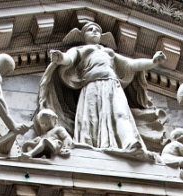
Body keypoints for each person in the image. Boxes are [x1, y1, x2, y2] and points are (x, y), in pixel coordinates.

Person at [39, 21, 166, 157]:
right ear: (83, 36)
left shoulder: (108, 52)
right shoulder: (81, 50)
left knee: (122, 114)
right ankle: (89, 146)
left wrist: (153, 62)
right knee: (91, 119)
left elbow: (131, 64)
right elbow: (69, 59)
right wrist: (60, 57)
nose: (94, 31)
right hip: (92, 86)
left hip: (113, 85)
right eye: (90, 29)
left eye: (97, 30)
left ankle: (130, 143)